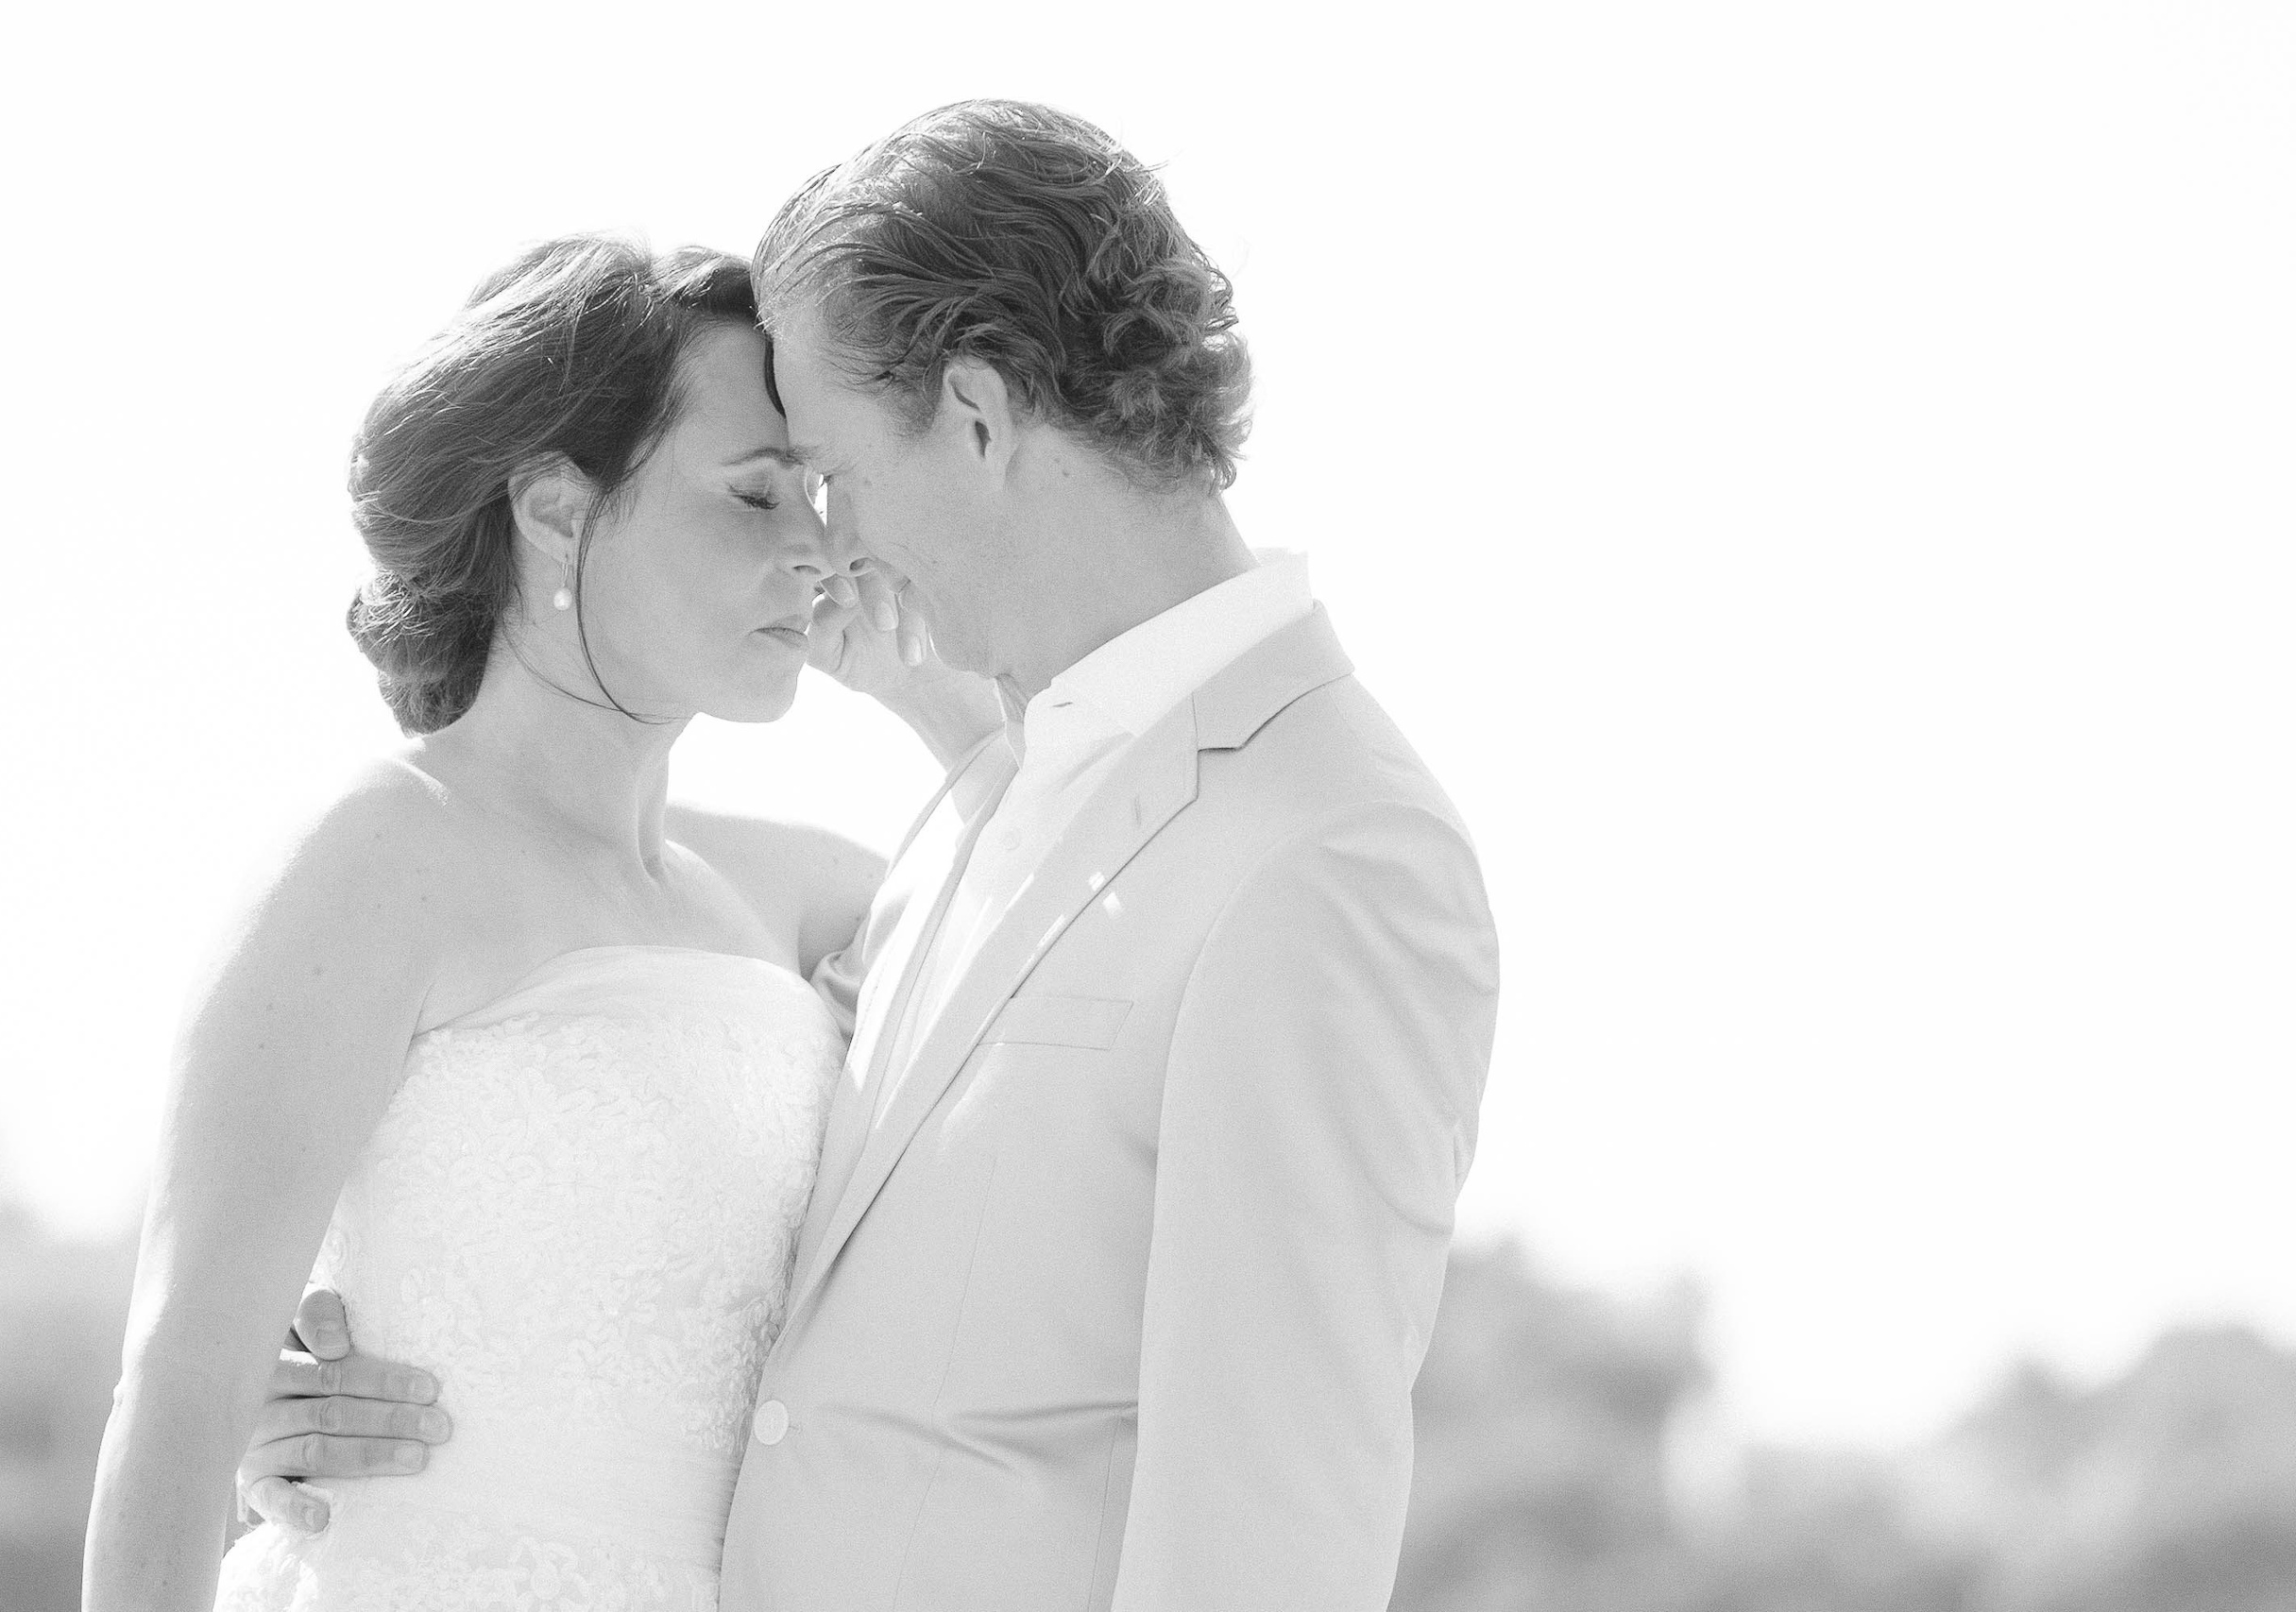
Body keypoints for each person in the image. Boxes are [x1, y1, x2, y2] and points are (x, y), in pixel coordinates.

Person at [248, 99, 1501, 1611]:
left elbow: (1269, 1535)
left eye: (832, 468)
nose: (830, 544)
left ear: (976, 415)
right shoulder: (994, 802)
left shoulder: (1325, 853)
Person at [81, 238, 1000, 1612]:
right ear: (558, 511)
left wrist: (937, 699)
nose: (818, 546)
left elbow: (1066, 931)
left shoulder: (803, 899)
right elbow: (179, 1400)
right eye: (755, 494)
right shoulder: (375, 860)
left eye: (815, 493)